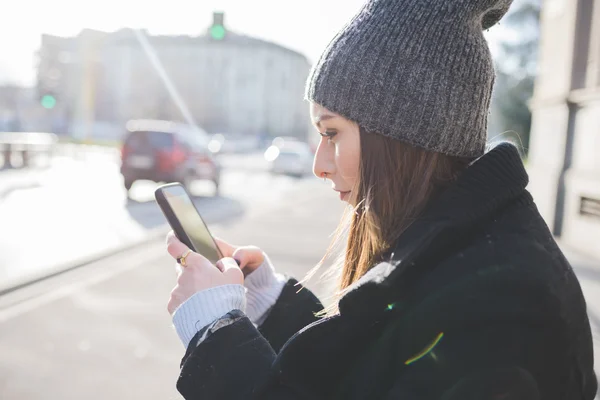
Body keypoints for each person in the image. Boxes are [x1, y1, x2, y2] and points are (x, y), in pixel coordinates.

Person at [164, 0, 598, 398]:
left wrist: (216, 335)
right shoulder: (465, 251)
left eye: (331, 133)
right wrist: (272, 307)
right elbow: (374, 370)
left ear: (402, 134)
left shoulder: (501, 304)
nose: (319, 164)